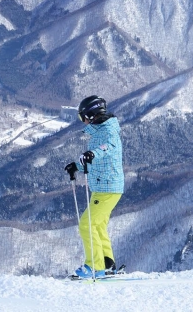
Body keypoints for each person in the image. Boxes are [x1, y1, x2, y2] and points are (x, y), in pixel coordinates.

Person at [64, 95, 124, 279]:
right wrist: (78, 165)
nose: (83, 121)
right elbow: (95, 159)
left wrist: (93, 153)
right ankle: (107, 263)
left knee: (86, 224)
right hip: (103, 187)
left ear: (92, 114)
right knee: (97, 226)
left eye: (83, 117)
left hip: (108, 188)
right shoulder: (100, 131)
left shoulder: (108, 132)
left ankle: (93, 267)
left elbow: (109, 148)